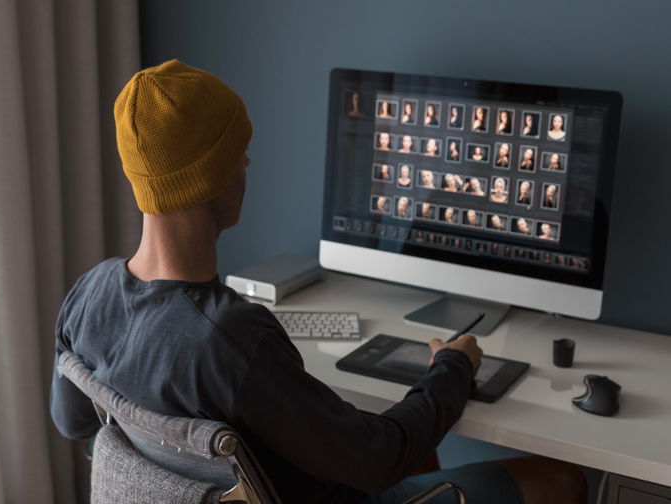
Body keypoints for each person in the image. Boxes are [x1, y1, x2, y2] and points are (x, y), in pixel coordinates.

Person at [51, 60, 587, 504]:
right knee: (564, 479)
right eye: (238, 150)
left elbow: (74, 422)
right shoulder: (231, 338)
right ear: (217, 175)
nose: (248, 160)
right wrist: (453, 367)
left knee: (415, 440)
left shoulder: (88, 294)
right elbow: (376, 460)